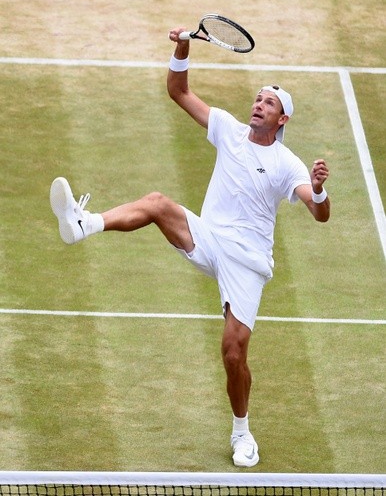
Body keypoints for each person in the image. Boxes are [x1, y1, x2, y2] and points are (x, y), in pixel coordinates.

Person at [49, 26, 330, 468]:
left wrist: (316, 191)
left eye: (269, 103)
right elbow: (178, 90)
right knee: (160, 204)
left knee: (233, 353)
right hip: (208, 236)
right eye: (257, 98)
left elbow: (319, 214)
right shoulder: (228, 129)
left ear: (283, 120)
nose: (259, 104)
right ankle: (85, 223)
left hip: (248, 262)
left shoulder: (286, 163)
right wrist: (183, 46)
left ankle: (242, 433)